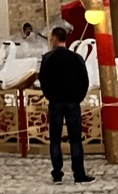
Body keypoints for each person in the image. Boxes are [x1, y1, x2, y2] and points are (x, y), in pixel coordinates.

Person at [38, 26, 93, 184]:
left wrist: (50, 96)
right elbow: (84, 80)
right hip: (72, 102)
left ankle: (57, 173)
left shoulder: (48, 58)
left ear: (54, 38)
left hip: (55, 102)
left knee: (55, 139)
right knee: (75, 139)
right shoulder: (75, 58)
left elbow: (43, 80)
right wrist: (79, 97)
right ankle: (79, 173)